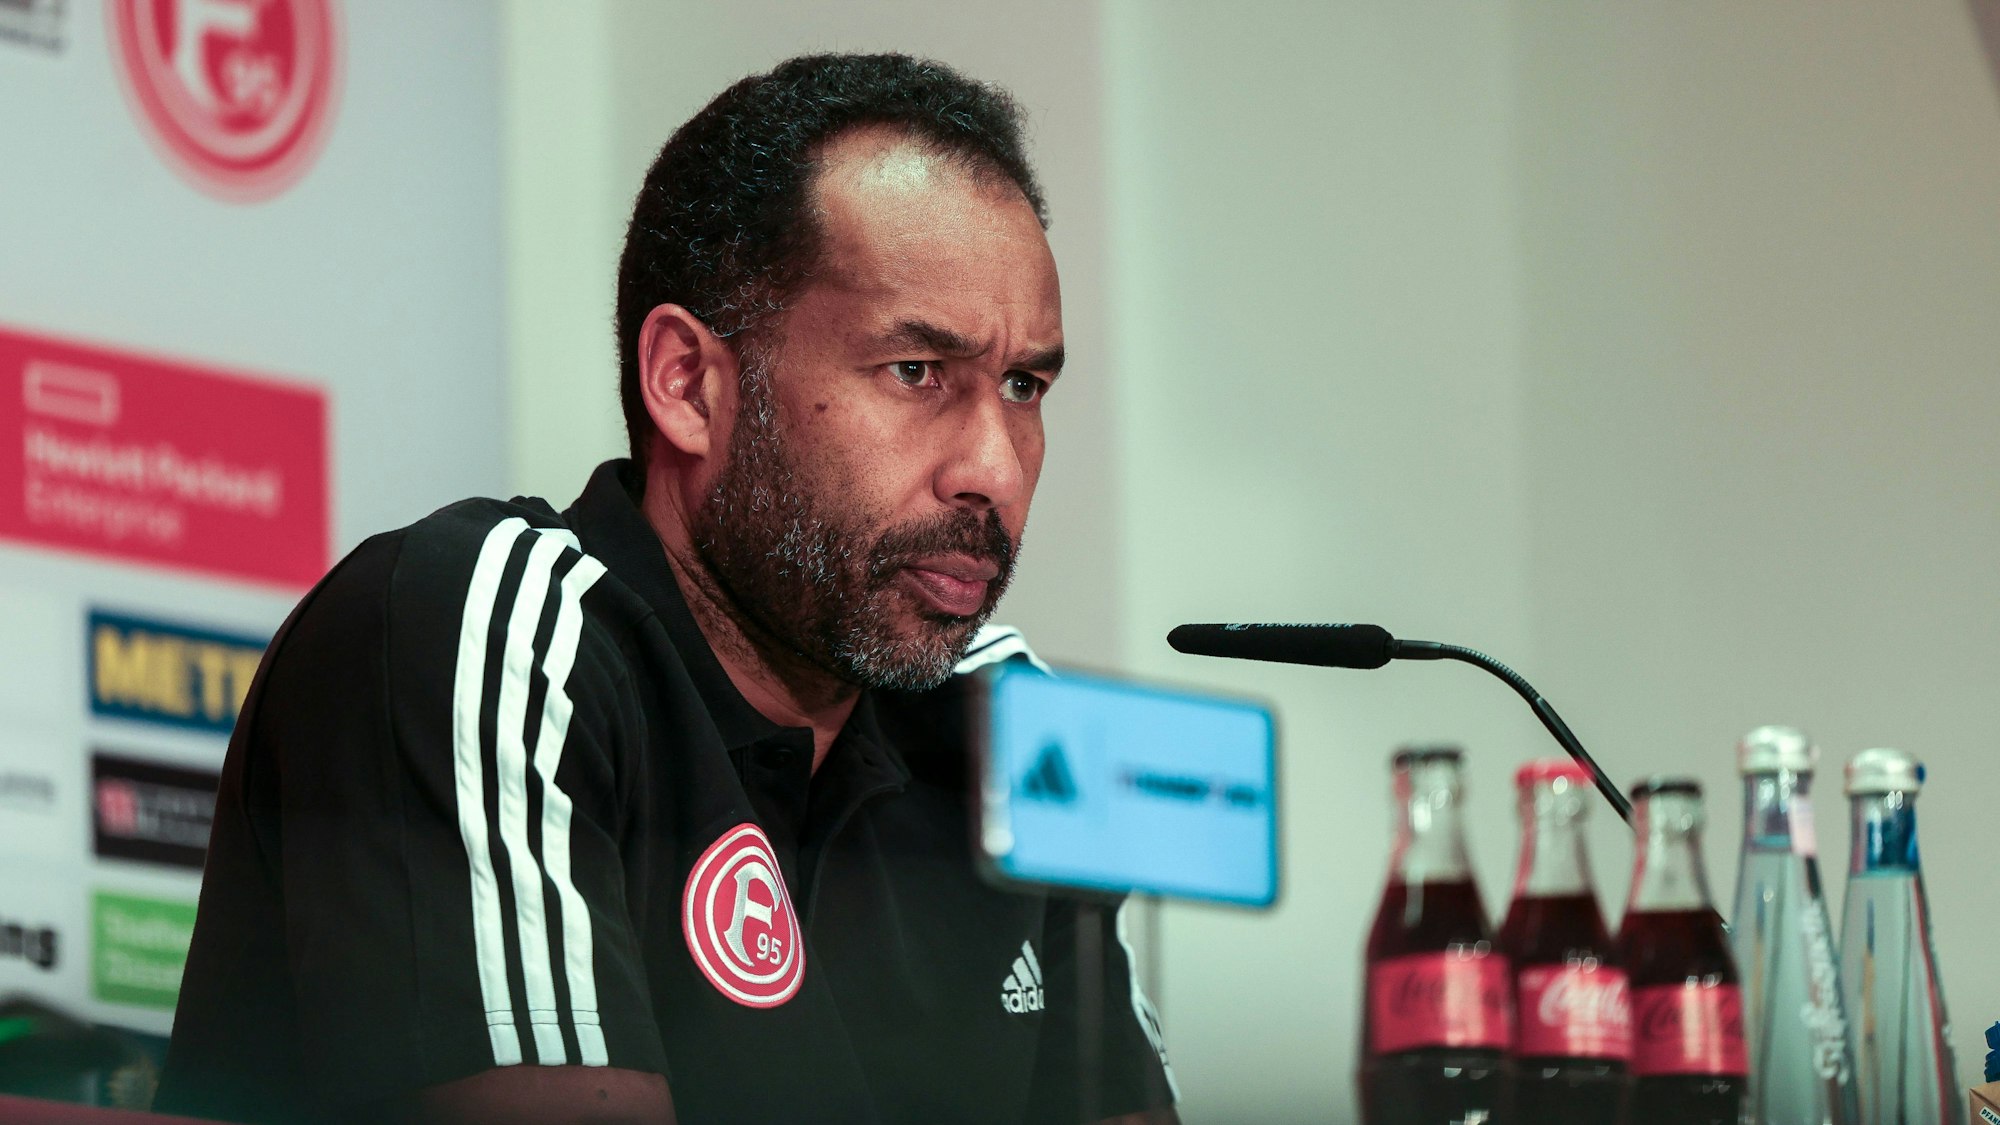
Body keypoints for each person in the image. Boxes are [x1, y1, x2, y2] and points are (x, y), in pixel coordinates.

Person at [154, 53, 1179, 1125]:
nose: (997, 470)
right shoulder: (485, 625)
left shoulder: (1010, 731)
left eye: (1023, 386)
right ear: (688, 385)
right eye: (916, 373)